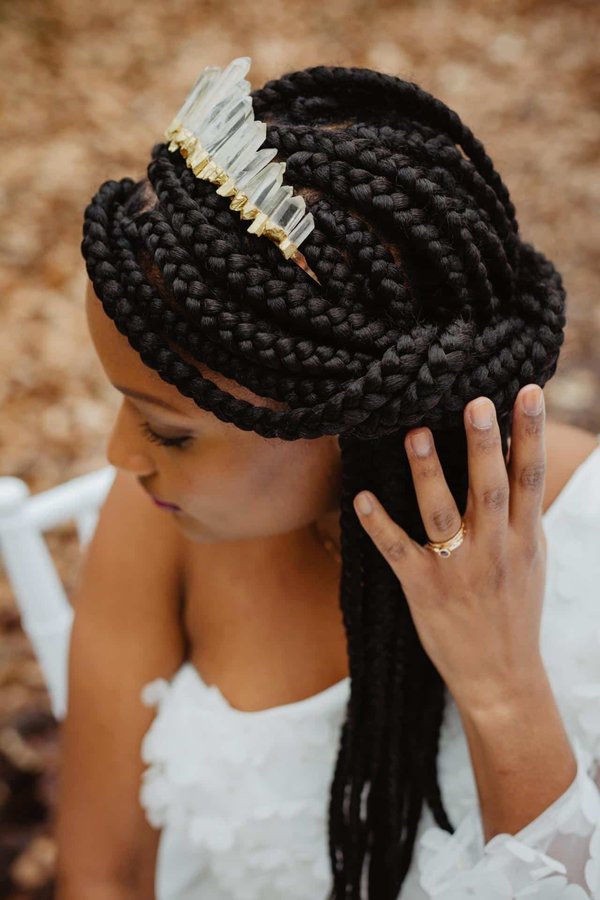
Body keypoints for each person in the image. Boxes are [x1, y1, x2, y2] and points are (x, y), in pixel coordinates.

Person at [55, 62, 600, 899]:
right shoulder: (157, 520)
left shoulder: (588, 539)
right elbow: (102, 878)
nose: (119, 457)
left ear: (358, 423)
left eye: (169, 428)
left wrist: (502, 686)